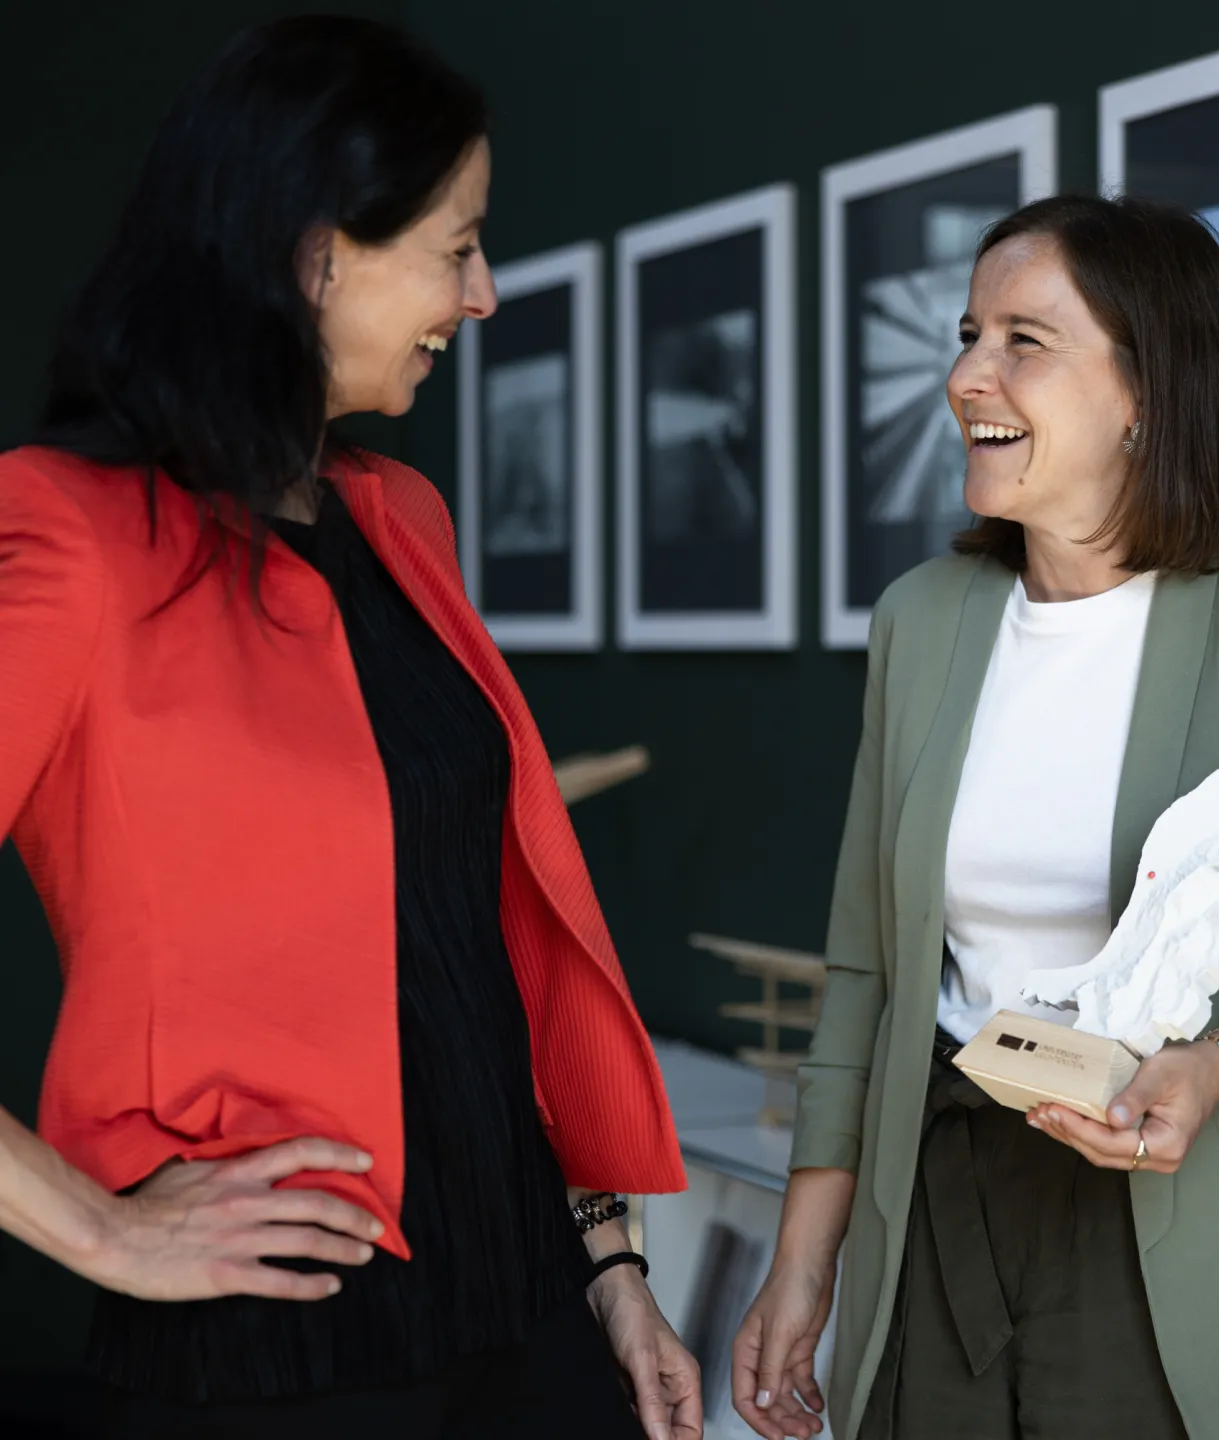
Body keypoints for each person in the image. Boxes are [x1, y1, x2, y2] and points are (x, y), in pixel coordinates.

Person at [0, 17, 700, 1440]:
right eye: (457, 248)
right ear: (315, 252)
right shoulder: (67, 530)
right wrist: (97, 1231)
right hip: (280, 1350)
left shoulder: (401, 519)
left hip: (531, 1312)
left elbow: (477, 930)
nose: (486, 293)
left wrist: (610, 1259)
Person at [731, 195, 1219, 1440]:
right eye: (969, 333)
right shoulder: (921, 620)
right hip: (935, 1201)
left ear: (1147, 387)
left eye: (1024, 340)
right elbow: (867, 975)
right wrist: (804, 1264)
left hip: (1164, 1219)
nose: (968, 375)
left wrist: (1218, 1064)